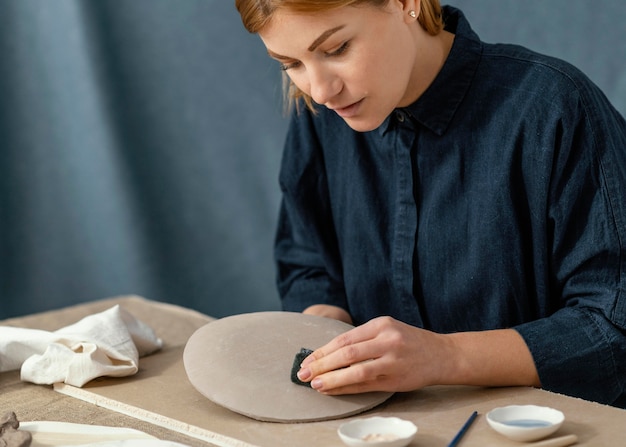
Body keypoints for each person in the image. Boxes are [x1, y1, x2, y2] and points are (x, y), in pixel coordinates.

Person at [234, 0, 626, 407]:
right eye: (289, 64)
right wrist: (327, 330)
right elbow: (307, 260)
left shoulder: (553, 107)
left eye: (337, 49)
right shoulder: (319, 113)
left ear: (407, 4)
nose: (320, 89)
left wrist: (446, 357)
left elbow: (614, 324)